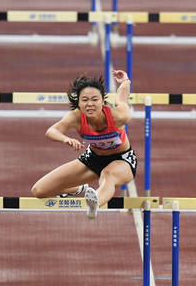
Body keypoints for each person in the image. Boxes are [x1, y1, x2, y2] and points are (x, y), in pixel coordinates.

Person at [31, 70, 137, 219]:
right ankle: (77, 189)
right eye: (85, 100)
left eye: (95, 99)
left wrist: (125, 82)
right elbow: (51, 131)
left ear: (102, 101)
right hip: (93, 158)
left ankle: (95, 203)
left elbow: (122, 99)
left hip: (122, 159)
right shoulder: (75, 117)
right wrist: (65, 139)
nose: (90, 104)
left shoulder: (118, 116)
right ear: (79, 103)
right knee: (39, 190)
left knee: (108, 175)